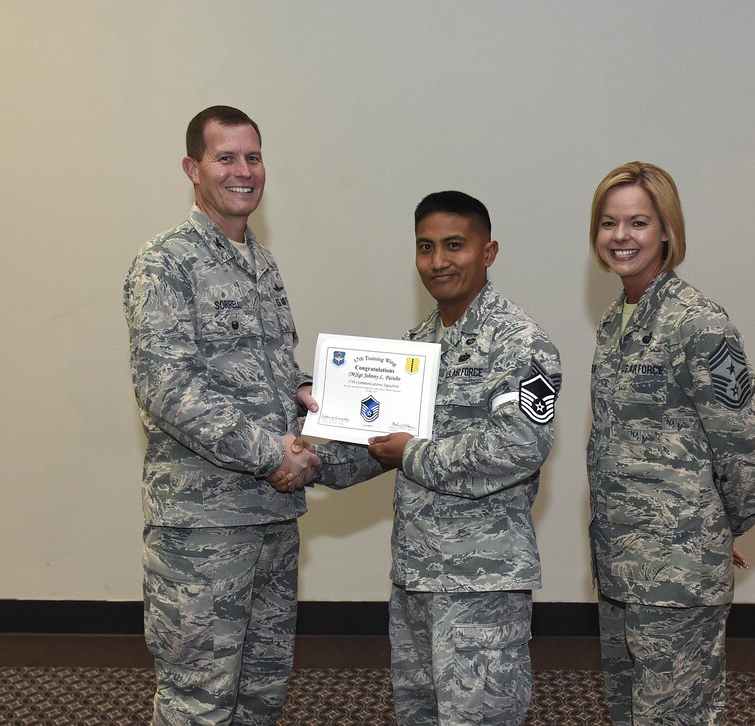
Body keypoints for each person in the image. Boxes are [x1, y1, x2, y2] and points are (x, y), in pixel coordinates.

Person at [314, 191, 561, 725]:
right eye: (425, 247)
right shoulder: (419, 344)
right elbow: (384, 442)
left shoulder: (518, 343)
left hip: (480, 584)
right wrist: (312, 459)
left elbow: (519, 446)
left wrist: (413, 454)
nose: (438, 261)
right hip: (416, 577)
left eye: (455, 245)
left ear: (489, 252)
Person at [124, 105, 320, 725]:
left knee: (261, 694)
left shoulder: (262, 266)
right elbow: (167, 388)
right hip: (203, 530)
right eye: (226, 157)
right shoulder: (166, 264)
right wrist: (273, 454)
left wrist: (318, 395)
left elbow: (271, 374)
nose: (244, 171)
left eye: (253, 157)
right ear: (193, 168)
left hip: (271, 520)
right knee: (198, 703)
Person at [586, 162, 755, 725]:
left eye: (638, 222)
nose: (621, 237)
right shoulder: (615, 320)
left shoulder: (698, 323)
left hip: (675, 577)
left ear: (666, 230)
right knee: (630, 714)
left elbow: (750, 447)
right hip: (622, 569)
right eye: (608, 223)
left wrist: (712, 527)